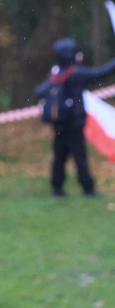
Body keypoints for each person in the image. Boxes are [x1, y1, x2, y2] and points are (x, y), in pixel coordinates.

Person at [34, 38, 115, 197]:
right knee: (80, 156)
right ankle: (88, 188)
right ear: (71, 55)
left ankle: (56, 188)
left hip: (58, 123)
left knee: (59, 156)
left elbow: (40, 91)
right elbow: (102, 73)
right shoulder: (76, 73)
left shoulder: (55, 75)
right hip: (74, 123)